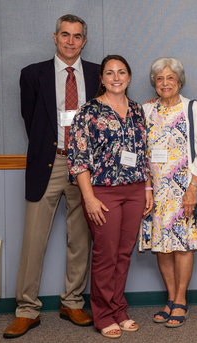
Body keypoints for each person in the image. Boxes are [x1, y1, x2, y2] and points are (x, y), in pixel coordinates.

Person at [3, 14, 100, 339]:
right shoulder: (32, 75)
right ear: (55, 37)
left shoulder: (97, 73)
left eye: (76, 36)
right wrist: (56, 148)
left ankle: (72, 301)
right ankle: (27, 310)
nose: (70, 41)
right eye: (65, 35)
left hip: (85, 167)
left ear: (84, 41)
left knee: (81, 238)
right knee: (33, 240)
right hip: (50, 161)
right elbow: (31, 121)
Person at [68, 55, 151, 338]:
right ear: (101, 79)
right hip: (102, 192)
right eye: (110, 73)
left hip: (136, 190)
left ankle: (119, 308)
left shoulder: (138, 110)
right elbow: (78, 158)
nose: (116, 77)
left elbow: (144, 153)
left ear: (129, 77)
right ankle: (103, 314)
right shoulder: (88, 111)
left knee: (123, 254)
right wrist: (88, 198)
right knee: (106, 254)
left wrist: (148, 187)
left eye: (122, 72)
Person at [138, 57, 197, 328]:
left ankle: (181, 300)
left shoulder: (192, 108)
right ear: (154, 83)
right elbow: (140, 152)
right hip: (154, 193)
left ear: (180, 81)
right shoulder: (145, 110)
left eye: (170, 78)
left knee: (181, 245)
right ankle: (170, 297)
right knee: (162, 248)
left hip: (182, 191)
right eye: (160, 78)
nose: (165, 83)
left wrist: (192, 189)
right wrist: (145, 187)